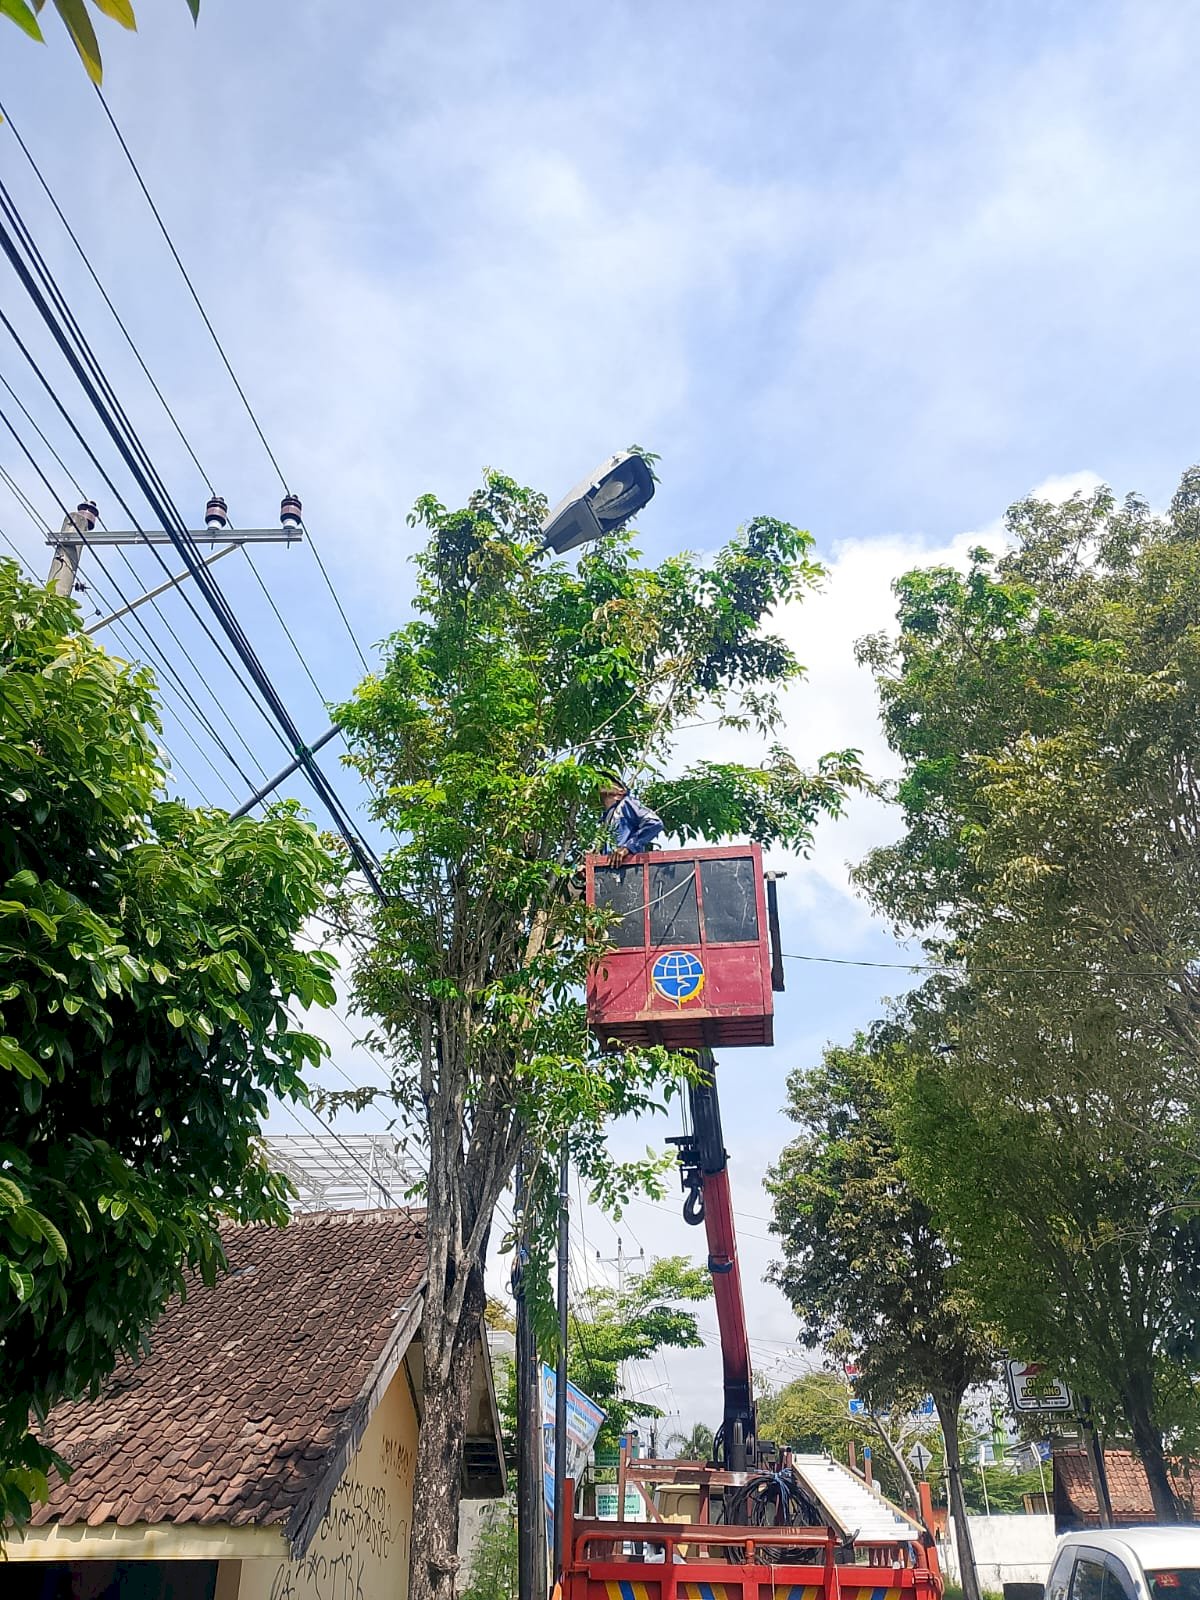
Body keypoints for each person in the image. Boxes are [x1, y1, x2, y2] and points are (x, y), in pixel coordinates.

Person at [599, 774, 663, 864]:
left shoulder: (625, 804)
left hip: (629, 868)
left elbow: (654, 822)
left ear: (621, 792)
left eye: (607, 781)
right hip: (612, 871)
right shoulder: (606, 819)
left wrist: (628, 847)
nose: (602, 782)